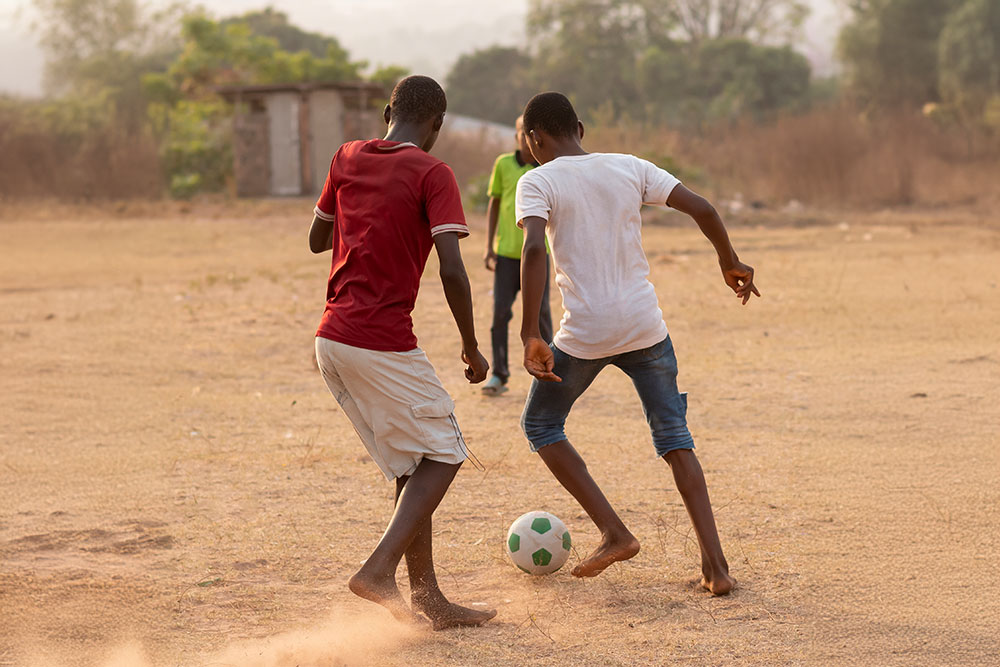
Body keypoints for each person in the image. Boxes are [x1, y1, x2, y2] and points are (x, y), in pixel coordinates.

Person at [514, 92, 760, 596]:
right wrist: (728, 261)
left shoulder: (536, 179)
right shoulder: (630, 166)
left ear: (534, 139)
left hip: (587, 331)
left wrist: (530, 332)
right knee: (675, 439)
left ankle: (615, 532)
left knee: (540, 423)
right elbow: (704, 208)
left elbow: (534, 245)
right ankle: (717, 569)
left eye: (526, 139)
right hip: (645, 326)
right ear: (580, 128)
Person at [308, 75, 496, 629]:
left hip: (331, 340)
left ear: (389, 110)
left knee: (413, 463)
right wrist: (471, 345)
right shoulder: (433, 172)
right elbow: (453, 268)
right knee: (445, 452)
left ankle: (429, 599)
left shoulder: (347, 156)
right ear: (437, 125)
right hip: (378, 340)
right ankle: (378, 569)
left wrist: (363, 208)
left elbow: (318, 240)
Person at [481, 116, 554, 396]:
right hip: (506, 256)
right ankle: (499, 374)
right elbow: (495, 202)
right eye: (521, 133)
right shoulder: (503, 164)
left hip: (537, 255)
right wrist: (489, 246)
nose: (526, 138)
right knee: (500, 313)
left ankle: (548, 371)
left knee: (542, 315)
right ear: (516, 136)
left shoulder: (547, 168)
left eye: (530, 133)